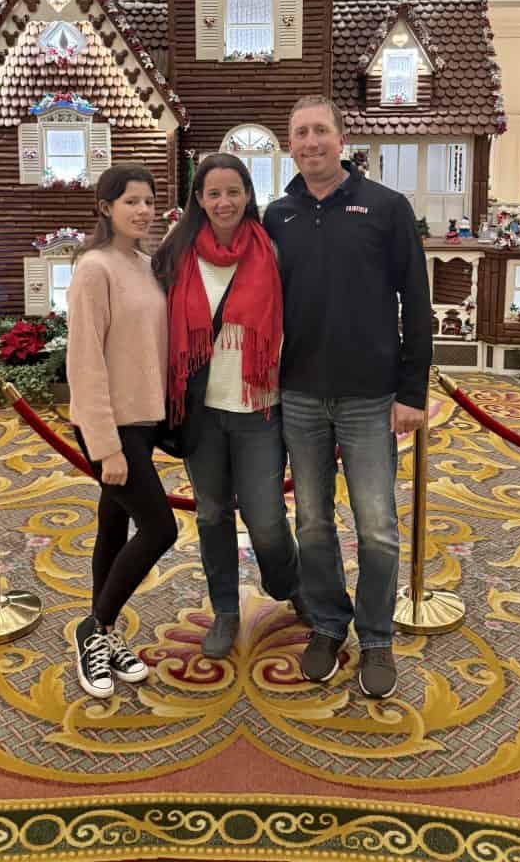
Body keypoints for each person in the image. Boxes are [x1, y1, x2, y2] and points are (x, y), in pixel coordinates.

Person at [263, 96, 433, 699]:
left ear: (342, 138)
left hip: (369, 396)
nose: (311, 142)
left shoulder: (386, 207)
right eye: (300, 133)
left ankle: (378, 637)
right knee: (312, 523)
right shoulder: (275, 216)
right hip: (300, 394)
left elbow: (416, 302)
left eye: (320, 131)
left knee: (378, 527)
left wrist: (413, 391)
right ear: (290, 145)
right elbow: (257, 306)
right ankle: (330, 625)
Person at [153, 154, 306, 659]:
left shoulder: (274, 250)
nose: (224, 202)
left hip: (260, 407)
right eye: (213, 193)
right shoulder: (177, 253)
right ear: (198, 199)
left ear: (248, 194)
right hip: (202, 410)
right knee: (212, 513)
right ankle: (225, 610)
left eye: (233, 191)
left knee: (265, 518)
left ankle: (288, 584)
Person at [67, 163, 178, 699]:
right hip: (110, 429)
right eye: (130, 201)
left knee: (112, 529)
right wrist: (105, 444)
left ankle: (104, 633)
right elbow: (84, 362)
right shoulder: (94, 269)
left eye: (149, 201)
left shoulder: (145, 263)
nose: (142, 210)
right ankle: (92, 630)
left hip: (143, 422)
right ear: (105, 207)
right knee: (161, 530)